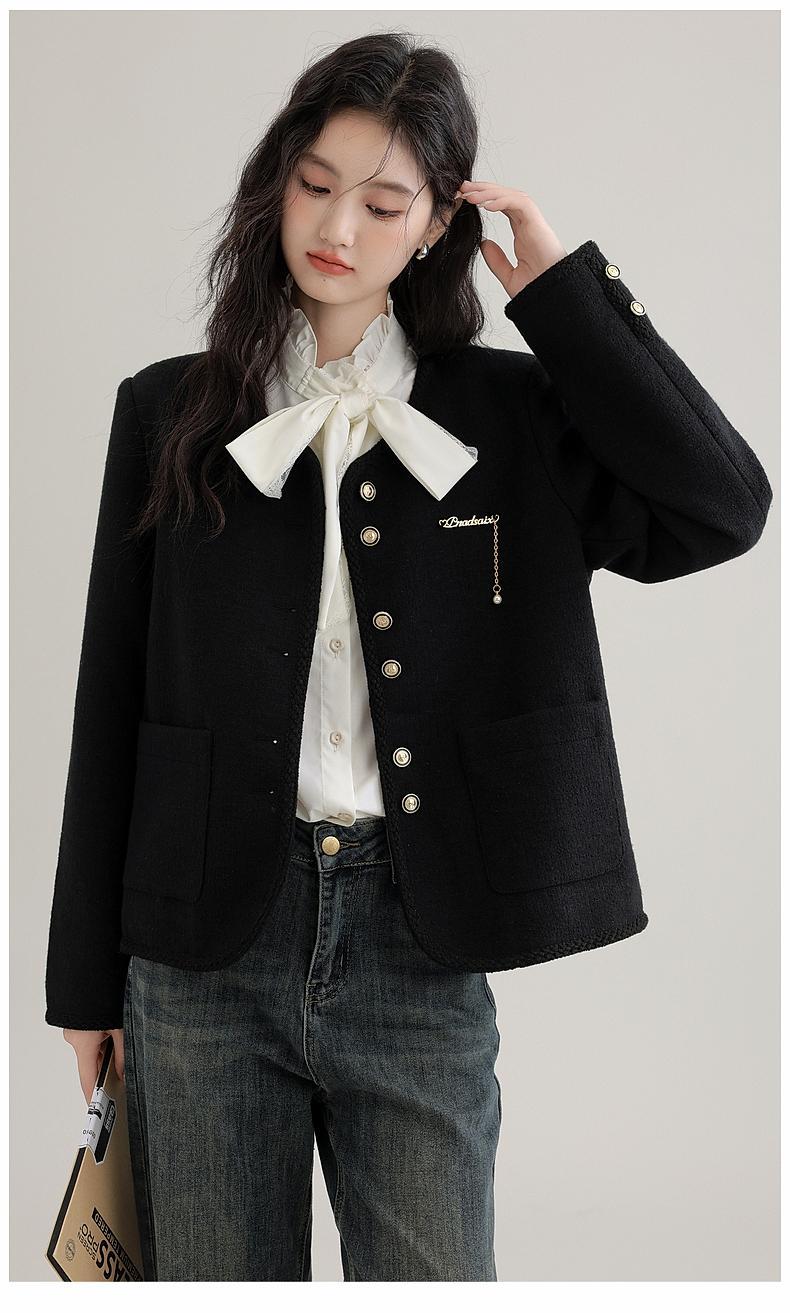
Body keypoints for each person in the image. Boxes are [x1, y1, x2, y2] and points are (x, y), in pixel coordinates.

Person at [44, 32, 772, 1282]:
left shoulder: (512, 413)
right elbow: (110, 697)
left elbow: (721, 506)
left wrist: (566, 298)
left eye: (383, 204)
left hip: (417, 939)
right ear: (277, 183)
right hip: (201, 950)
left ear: (438, 223)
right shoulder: (168, 411)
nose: (338, 227)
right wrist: (82, 985)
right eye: (315, 184)